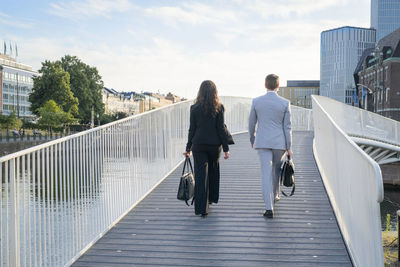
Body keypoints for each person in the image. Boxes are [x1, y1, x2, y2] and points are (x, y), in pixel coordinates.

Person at [184, 80, 230, 218]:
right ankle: (210, 199)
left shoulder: (194, 108)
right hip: (214, 146)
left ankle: (201, 208)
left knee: (200, 175)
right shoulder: (219, 107)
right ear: (214, 92)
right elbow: (221, 129)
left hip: (198, 145)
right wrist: (226, 149)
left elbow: (192, 129)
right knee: (213, 172)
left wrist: (188, 148)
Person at [248, 74, 292, 218]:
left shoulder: (256, 101)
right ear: (278, 86)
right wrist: (289, 146)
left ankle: (269, 208)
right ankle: (275, 195)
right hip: (279, 143)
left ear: (265, 85)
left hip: (262, 142)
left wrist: (252, 138)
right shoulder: (285, 103)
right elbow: (287, 127)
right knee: (276, 171)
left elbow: (251, 123)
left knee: (266, 174)